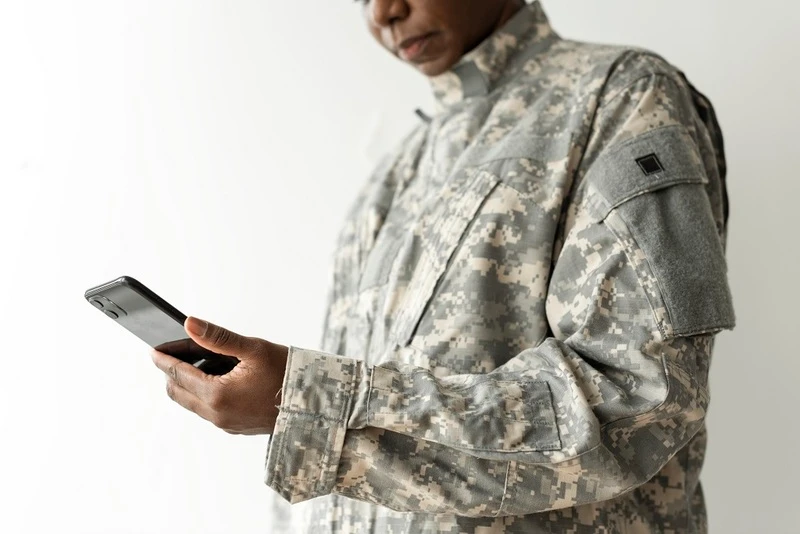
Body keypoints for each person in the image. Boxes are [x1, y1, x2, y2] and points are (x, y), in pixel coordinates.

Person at [151, 0, 735, 532]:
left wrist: (306, 401)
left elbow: (638, 398)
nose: (384, 12)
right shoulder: (393, 177)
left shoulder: (621, 94)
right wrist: (292, 403)